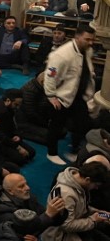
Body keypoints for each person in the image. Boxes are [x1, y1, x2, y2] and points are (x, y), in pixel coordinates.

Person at [42, 163, 110, 241]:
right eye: (96, 184)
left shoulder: (78, 183)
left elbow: (80, 208)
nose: (96, 188)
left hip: (79, 226)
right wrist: (93, 220)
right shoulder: (66, 194)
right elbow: (67, 226)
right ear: (88, 179)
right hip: (62, 236)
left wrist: (98, 212)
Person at [44, 25, 96, 164]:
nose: (90, 42)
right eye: (87, 39)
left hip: (79, 96)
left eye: (92, 40)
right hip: (61, 98)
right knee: (56, 126)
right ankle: (52, 152)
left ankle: (74, 149)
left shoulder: (87, 50)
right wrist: (51, 96)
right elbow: (50, 75)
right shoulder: (61, 55)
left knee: (82, 124)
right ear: (77, 37)